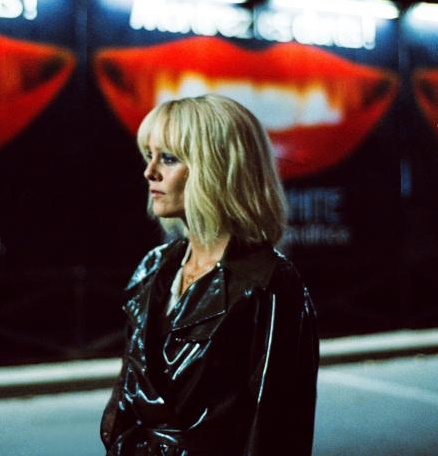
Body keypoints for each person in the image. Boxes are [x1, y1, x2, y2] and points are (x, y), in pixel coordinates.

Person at [100, 94, 319, 456]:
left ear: (216, 168)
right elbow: (127, 396)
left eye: (168, 158)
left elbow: (276, 428)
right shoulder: (153, 267)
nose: (150, 172)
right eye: (148, 155)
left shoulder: (268, 282)